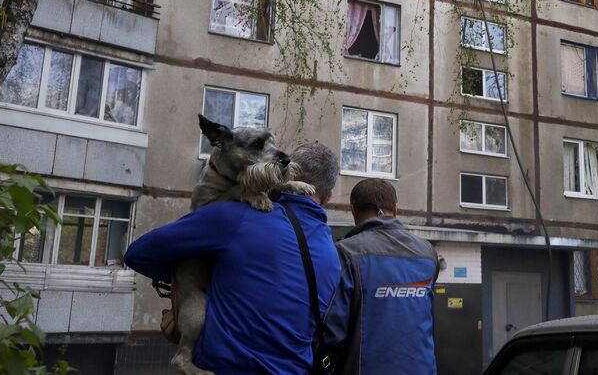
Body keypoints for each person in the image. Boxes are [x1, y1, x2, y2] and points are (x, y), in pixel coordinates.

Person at [124, 142, 342, 374]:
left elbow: (139, 253)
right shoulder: (333, 255)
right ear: (328, 198)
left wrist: (188, 295)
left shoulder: (238, 218)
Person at [321, 179, 439, 375]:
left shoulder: (346, 253)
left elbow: (332, 332)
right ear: (395, 209)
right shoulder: (427, 253)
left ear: (353, 210)